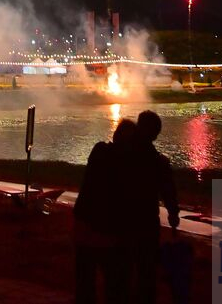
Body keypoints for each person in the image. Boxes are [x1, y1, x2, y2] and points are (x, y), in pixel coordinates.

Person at [118, 110, 180, 304]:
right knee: (146, 270)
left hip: (121, 219)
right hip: (145, 222)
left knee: (123, 270)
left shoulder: (121, 153)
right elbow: (168, 190)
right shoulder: (157, 161)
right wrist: (173, 213)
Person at [74, 119, 137, 304]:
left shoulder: (99, 151)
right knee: (115, 282)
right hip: (106, 230)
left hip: (86, 225)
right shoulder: (125, 163)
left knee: (86, 280)